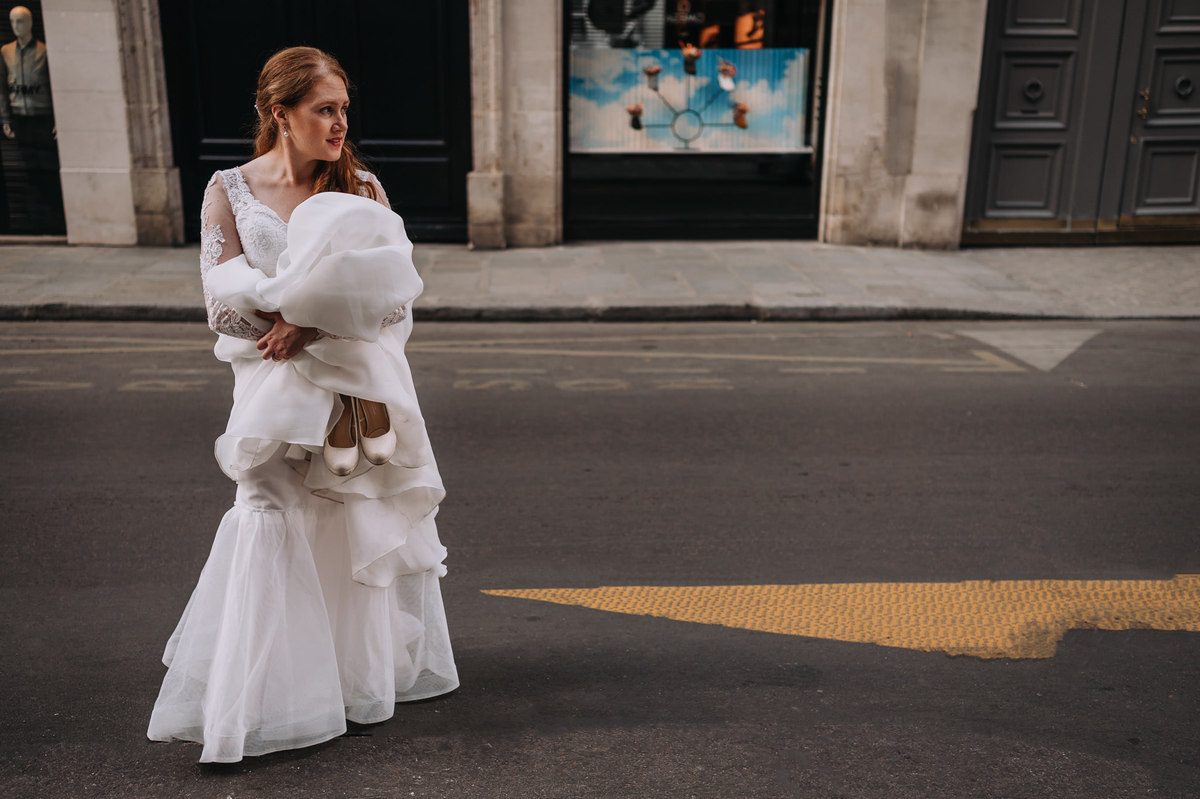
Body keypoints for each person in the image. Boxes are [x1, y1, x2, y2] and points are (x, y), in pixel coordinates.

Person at [146, 46, 458, 764]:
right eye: (325, 108)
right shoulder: (228, 189)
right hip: (267, 383)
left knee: (337, 520)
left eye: (344, 108)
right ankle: (246, 700)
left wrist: (311, 323)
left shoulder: (363, 188)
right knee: (262, 508)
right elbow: (220, 305)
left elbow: (395, 295)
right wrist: (276, 323)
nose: (340, 122)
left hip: (344, 379)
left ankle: (341, 683)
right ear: (280, 115)